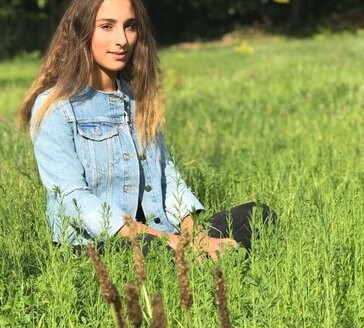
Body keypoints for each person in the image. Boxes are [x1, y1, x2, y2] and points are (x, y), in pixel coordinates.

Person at [18, 0, 275, 259]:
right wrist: (172, 241)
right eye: (107, 26)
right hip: (101, 244)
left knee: (257, 215)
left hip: (158, 234)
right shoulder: (56, 107)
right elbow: (73, 199)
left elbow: (166, 175)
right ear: (81, 30)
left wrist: (195, 236)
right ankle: (203, 263)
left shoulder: (137, 99)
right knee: (157, 252)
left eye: (130, 26)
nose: (122, 40)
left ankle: (201, 261)